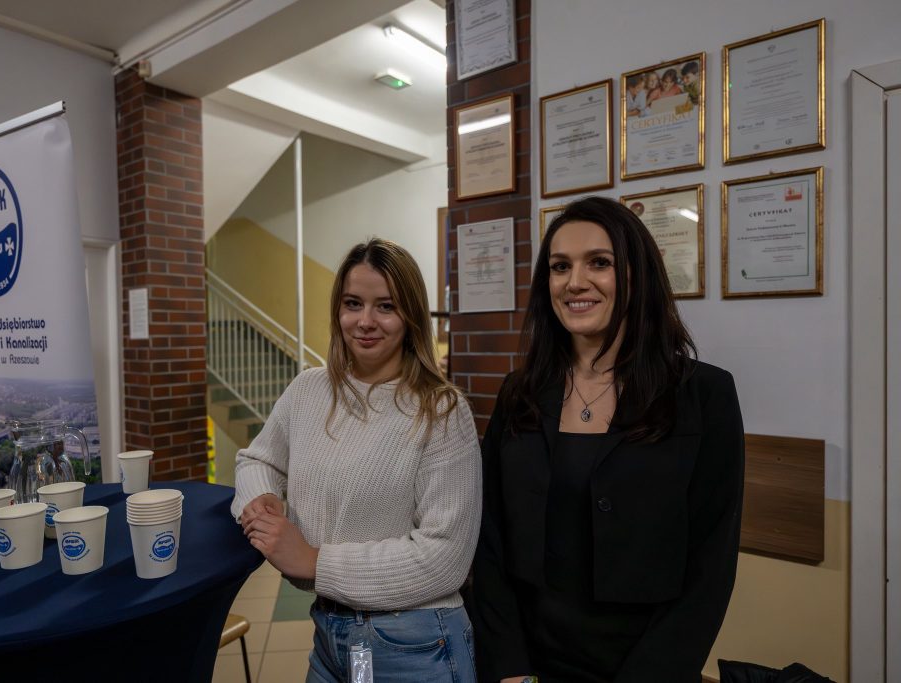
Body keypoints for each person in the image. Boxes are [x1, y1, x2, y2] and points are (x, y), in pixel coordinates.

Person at [470, 196, 744, 683]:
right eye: (560, 266)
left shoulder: (703, 394)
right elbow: (489, 539)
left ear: (638, 276)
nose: (575, 281)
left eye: (599, 262)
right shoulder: (520, 393)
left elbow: (711, 563)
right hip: (529, 664)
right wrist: (510, 667)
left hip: (646, 666)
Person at [233, 238, 482, 682]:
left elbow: (445, 558)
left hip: (413, 640)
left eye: (386, 306)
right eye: (353, 304)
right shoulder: (308, 389)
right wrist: (262, 498)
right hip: (331, 631)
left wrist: (314, 561)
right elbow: (258, 460)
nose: (365, 321)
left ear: (411, 316)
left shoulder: (441, 411)